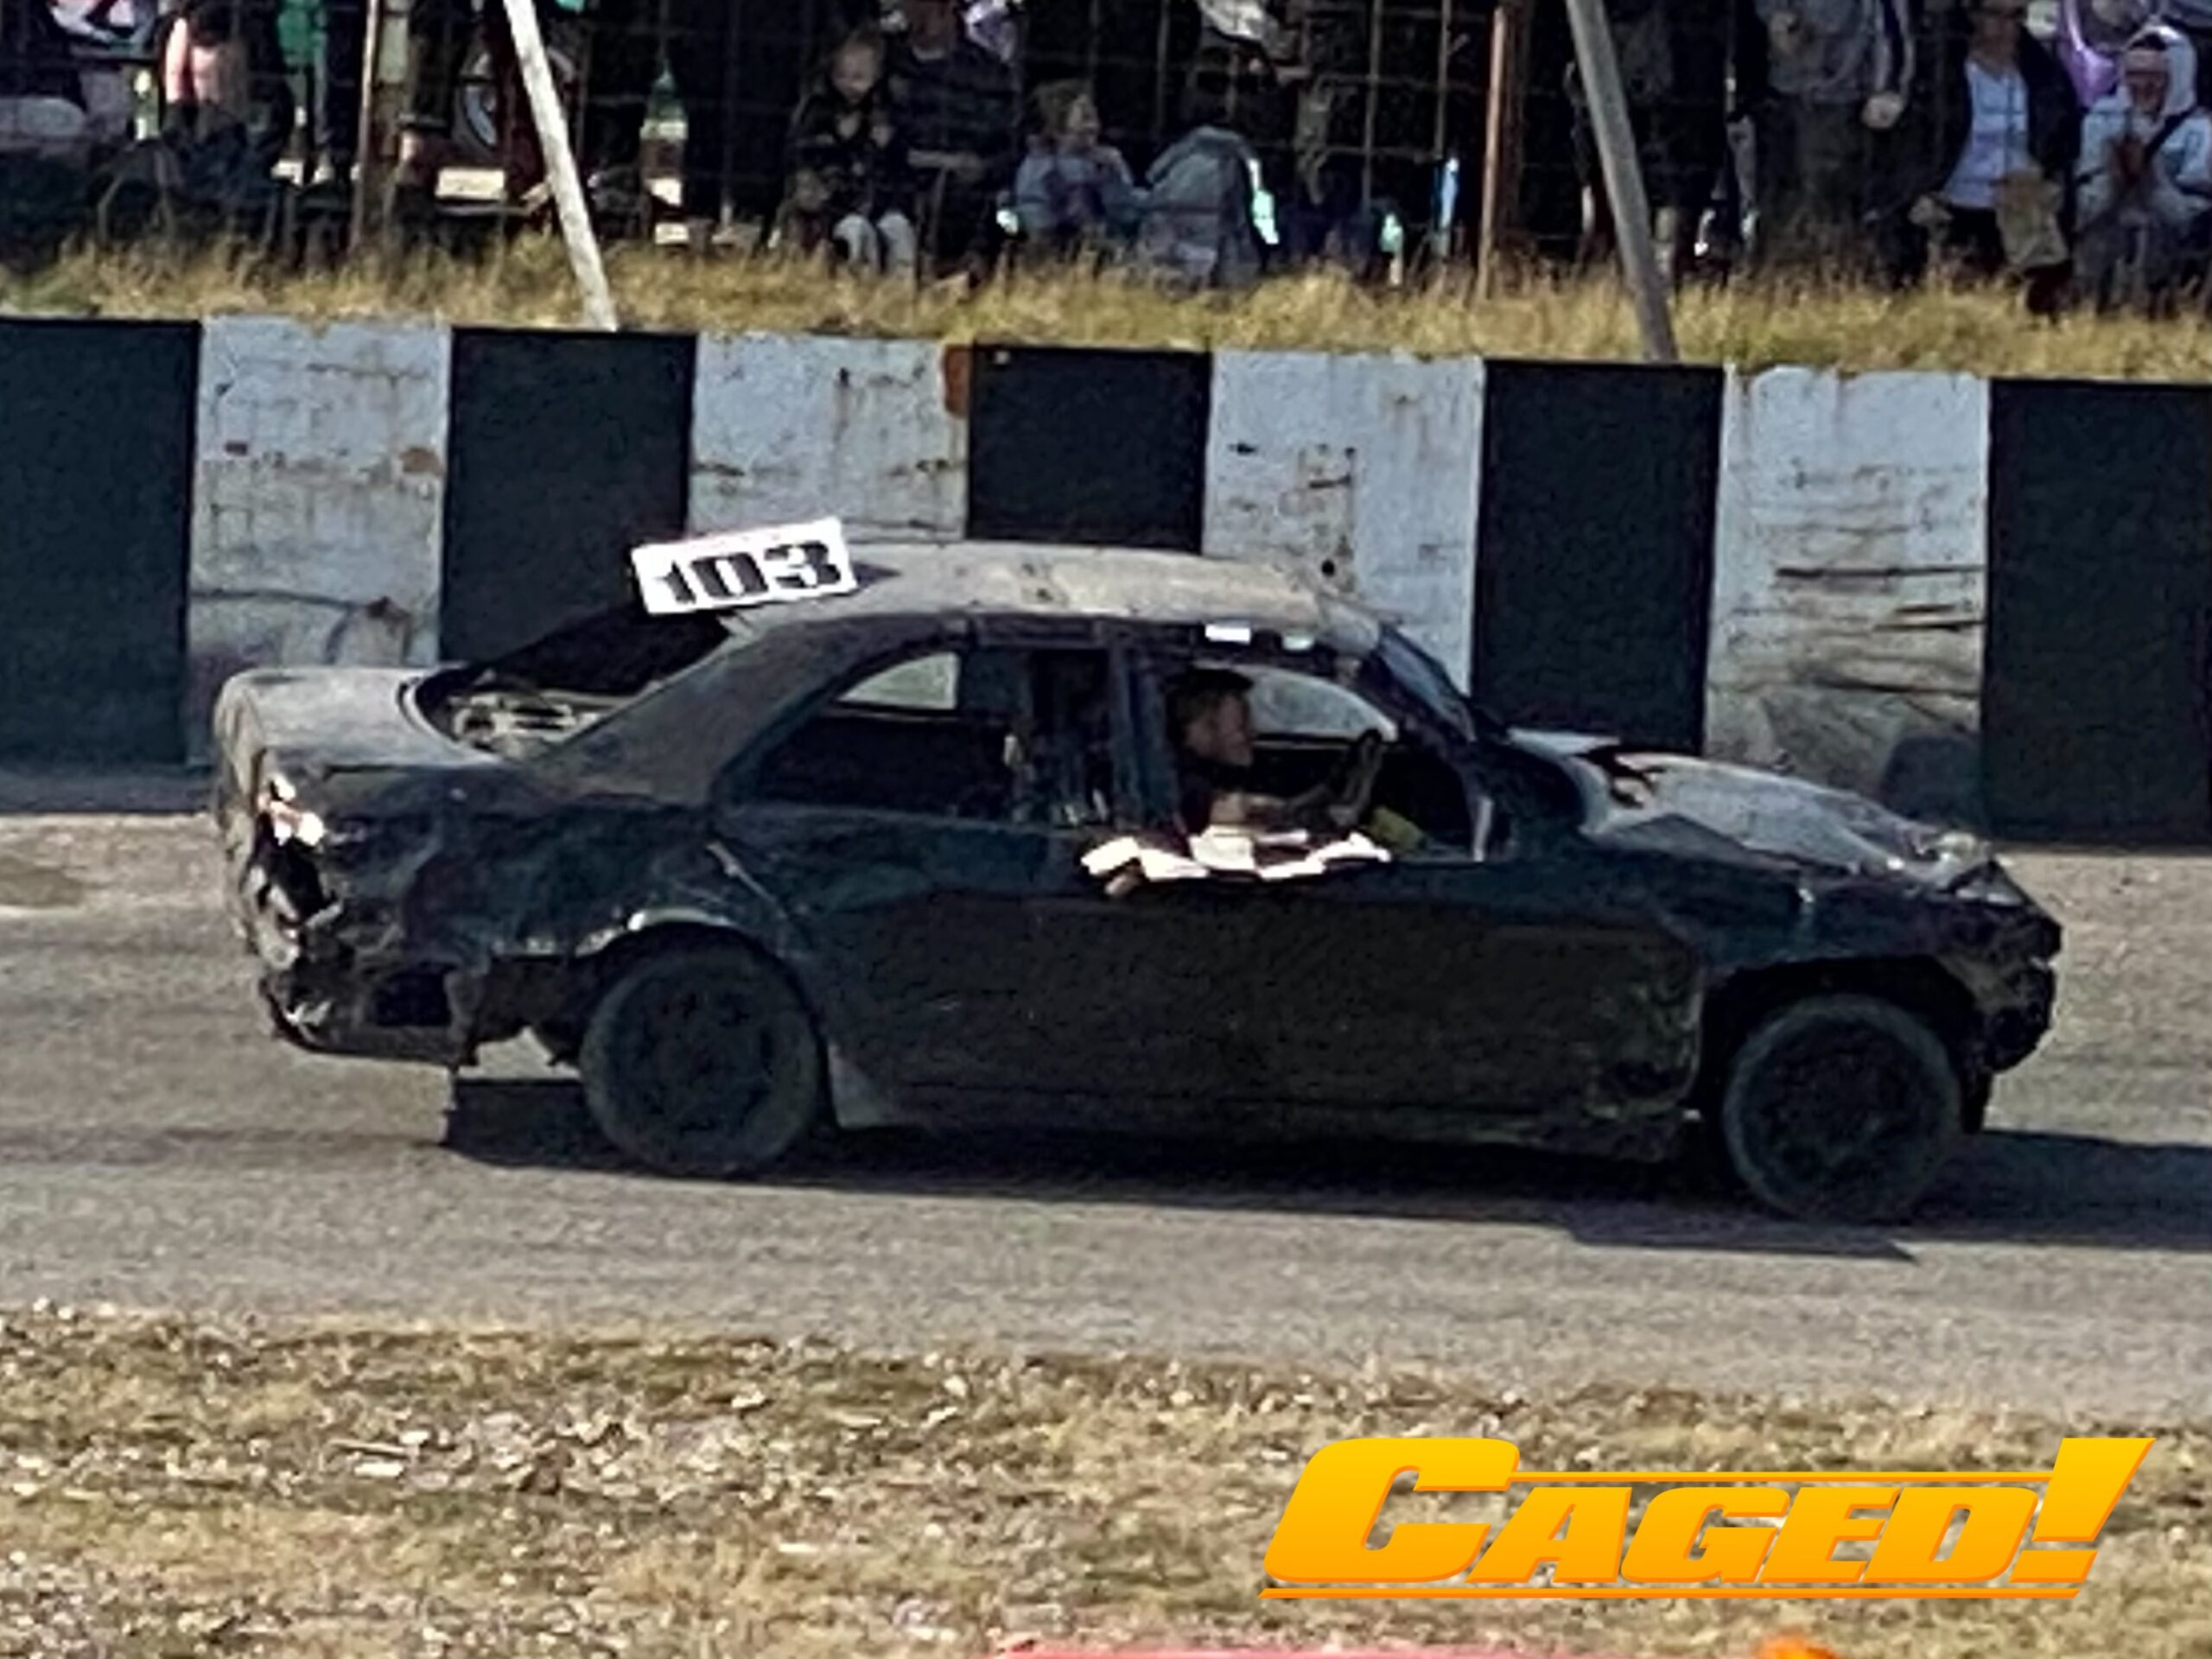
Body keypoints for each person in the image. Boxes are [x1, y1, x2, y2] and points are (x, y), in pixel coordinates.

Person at [1891, 0, 2078, 303]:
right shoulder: (1941, 73)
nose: (2006, 26)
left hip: (2022, 212)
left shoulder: (2044, 75)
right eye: (1996, 14)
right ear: (1973, 15)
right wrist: (1919, 190)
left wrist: (2046, 178)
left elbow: (2063, 139)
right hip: (1955, 207)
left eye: (2016, 16)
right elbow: (1915, 140)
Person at [1748, 0, 1917, 270]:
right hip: (1778, 93)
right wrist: (1774, 13)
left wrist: (1888, 88)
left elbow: (1891, 20)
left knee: (1832, 211)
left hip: (1843, 98)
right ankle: (1778, 280)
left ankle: (1833, 280)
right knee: (1777, 207)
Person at [2074, 23, 2212, 306]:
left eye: (2154, 76)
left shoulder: (2199, 131)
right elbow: (2082, 209)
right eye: (2134, 74)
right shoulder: (2101, 120)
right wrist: (2113, 177)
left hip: (2169, 271)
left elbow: (2192, 220)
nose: (2143, 85)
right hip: (2104, 264)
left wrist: (2151, 179)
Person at [1168, 668, 1383, 842]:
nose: (1253, 733)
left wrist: (1320, 796)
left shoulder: (1202, 775)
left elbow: (1254, 807)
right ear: (1202, 727)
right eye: (1241, 724)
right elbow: (1233, 810)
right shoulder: (1179, 786)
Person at [887, 0, 1020, 270]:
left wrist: (983, 168)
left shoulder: (988, 72)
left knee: (1012, 224)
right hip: (897, 201)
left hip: (975, 207)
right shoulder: (886, 63)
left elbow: (1010, 148)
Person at [782, 28, 918, 272]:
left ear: (877, 74)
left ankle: (902, 285)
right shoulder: (819, 109)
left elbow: (900, 161)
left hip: (880, 202)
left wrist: (887, 143)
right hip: (833, 208)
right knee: (856, 231)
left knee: (898, 228)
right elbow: (803, 154)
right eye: (841, 75)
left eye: (859, 77)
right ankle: (858, 281)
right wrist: (838, 140)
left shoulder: (886, 109)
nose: (848, 85)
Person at [1014, 81, 1143, 257]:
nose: (1093, 127)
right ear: (1058, 127)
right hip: (1061, 252)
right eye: (1085, 119)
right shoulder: (1040, 168)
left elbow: (1126, 213)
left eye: (1094, 119)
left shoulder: (1106, 162)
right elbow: (1037, 220)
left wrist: (1114, 176)